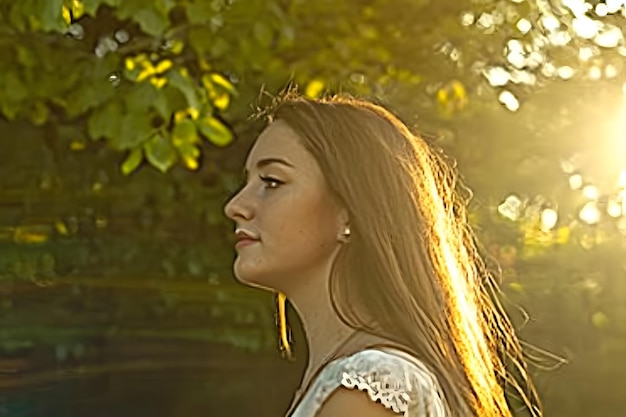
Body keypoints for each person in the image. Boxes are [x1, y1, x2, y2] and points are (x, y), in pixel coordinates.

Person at [223, 92, 542, 417]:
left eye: (271, 182)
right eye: (247, 182)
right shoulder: (352, 383)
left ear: (349, 211)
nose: (235, 206)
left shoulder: (367, 391)